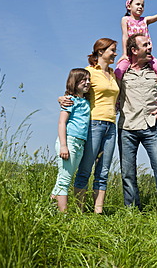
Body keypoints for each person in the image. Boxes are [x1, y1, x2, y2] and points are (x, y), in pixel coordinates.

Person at [116, 33, 157, 223]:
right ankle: (132, 217)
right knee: (128, 175)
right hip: (127, 128)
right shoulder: (122, 72)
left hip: (152, 128)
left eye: (150, 43)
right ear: (134, 50)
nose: (150, 47)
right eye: (145, 45)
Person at [59, 38, 119, 214]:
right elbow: (73, 90)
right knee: (85, 168)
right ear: (101, 52)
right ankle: (79, 210)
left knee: (103, 171)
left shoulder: (113, 74)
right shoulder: (89, 72)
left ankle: (98, 211)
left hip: (111, 125)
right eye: (112, 50)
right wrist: (61, 98)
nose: (115, 53)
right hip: (94, 123)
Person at [51, 68, 91, 212]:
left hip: (80, 144)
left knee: (63, 178)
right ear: (74, 82)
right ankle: (64, 215)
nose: (87, 82)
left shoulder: (86, 101)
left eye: (89, 79)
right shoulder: (70, 100)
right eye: (83, 80)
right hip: (69, 142)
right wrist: (63, 145)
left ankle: (50, 209)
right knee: (65, 180)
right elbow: (62, 123)